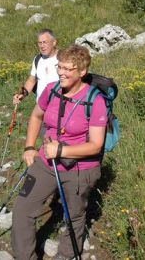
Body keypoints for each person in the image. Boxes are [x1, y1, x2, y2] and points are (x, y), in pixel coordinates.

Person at [11, 44, 107, 260]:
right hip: (46, 162)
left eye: (68, 69)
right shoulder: (52, 89)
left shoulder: (95, 100)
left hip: (80, 169)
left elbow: (96, 145)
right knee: (22, 209)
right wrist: (29, 147)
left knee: (74, 216)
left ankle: (66, 255)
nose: (61, 72)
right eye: (59, 67)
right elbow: (36, 116)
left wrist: (62, 149)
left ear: (82, 71)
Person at [13, 29, 59, 106]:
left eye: (45, 42)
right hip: (40, 108)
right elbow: (32, 80)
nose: (42, 46)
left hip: (58, 108)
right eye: (39, 43)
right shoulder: (37, 59)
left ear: (54, 42)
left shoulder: (64, 58)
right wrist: (22, 95)